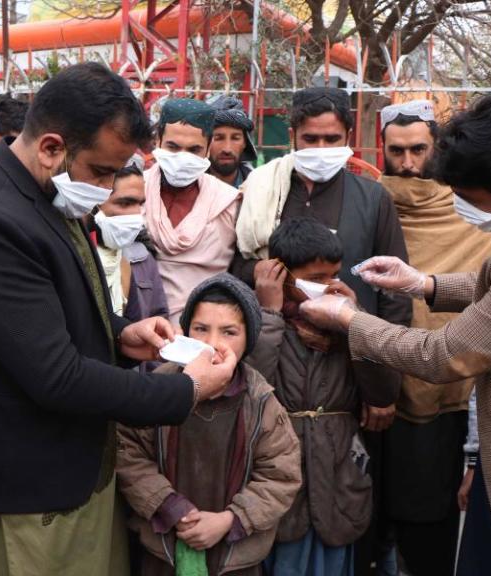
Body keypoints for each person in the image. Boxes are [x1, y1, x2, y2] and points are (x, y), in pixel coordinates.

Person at [0, 63, 238, 576]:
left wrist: (120, 333)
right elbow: (55, 375)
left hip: (63, 475)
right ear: (50, 147)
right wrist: (186, 390)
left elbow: (41, 314)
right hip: (19, 490)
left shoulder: (40, 193)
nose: (108, 187)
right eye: (103, 171)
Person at [301, 92, 491, 574]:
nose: (469, 212)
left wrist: (348, 319)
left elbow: (444, 355)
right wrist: (424, 284)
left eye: (476, 203)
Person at [231, 87, 412, 573]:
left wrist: (383, 386)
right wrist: (288, 317)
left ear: (349, 137)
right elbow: (242, 272)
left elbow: (392, 293)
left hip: (351, 370)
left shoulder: (372, 198)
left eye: (332, 137)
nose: (321, 147)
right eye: (310, 138)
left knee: (345, 497)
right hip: (280, 372)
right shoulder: (265, 191)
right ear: (292, 136)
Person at [376, 99, 491, 576]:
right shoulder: (369, 203)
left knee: (431, 523)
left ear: (437, 147)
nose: (408, 163)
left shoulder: (472, 210)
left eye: (419, 150)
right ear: (382, 149)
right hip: (376, 381)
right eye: (397, 151)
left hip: (449, 387)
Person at [117, 273, 302, 576]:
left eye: (229, 332)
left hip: (234, 555)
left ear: (249, 339)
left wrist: (229, 520)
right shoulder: (158, 388)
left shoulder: (261, 402)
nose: (212, 344)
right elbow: (128, 455)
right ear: (186, 330)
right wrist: (171, 507)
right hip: (162, 548)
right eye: (201, 329)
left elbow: (281, 477)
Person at [243, 217, 370, 575]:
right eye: (316, 279)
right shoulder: (257, 319)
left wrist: (356, 320)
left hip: (338, 468)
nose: (328, 286)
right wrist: (268, 312)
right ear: (281, 275)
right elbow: (255, 384)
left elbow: (382, 388)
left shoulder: (344, 319)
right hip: (281, 466)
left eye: (334, 276)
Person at [145, 98, 241, 324]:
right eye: (173, 147)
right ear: (158, 141)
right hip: (139, 328)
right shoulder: (133, 192)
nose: (182, 157)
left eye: (194, 150)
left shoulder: (227, 202)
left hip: (204, 331)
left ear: (208, 149)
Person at [90, 161, 167, 320]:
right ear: (94, 203)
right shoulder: (72, 256)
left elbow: (157, 317)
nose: (135, 214)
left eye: (140, 204)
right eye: (125, 203)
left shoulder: (143, 259)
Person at [208, 95, 257, 187]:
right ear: (205, 142)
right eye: (218, 138)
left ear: (245, 143)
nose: (227, 149)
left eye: (235, 138)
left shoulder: (263, 189)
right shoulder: (187, 189)